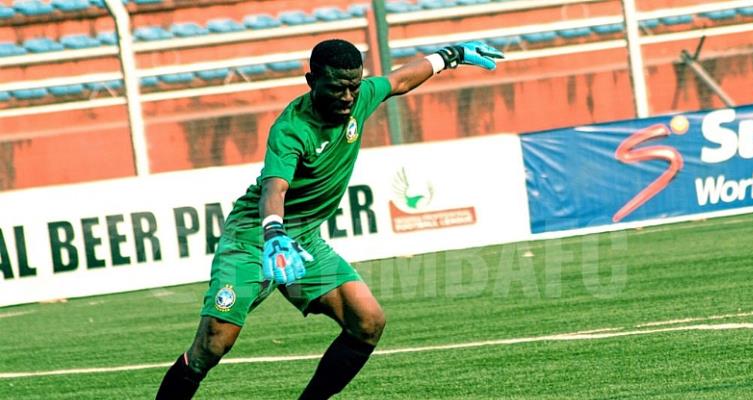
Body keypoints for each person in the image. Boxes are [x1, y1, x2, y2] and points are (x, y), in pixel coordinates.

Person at [156, 38, 503, 399]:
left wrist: (449, 56)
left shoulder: (358, 100)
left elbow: (398, 81)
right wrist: (274, 233)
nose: (349, 97)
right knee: (212, 344)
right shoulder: (292, 128)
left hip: (303, 240)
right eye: (338, 88)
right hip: (255, 239)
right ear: (311, 82)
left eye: (354, 86)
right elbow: (274, 189)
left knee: (367, 322)